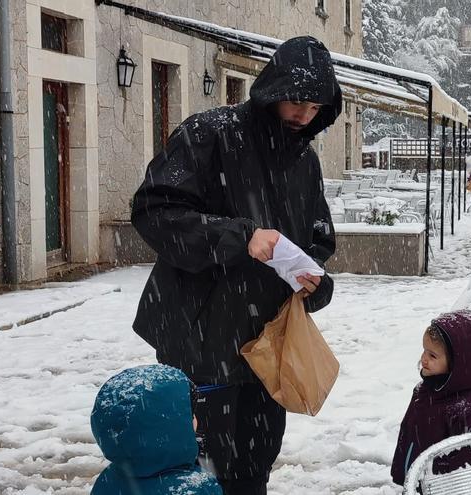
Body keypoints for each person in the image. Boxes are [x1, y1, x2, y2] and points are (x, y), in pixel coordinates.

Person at [130, 36, 341, 494]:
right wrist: (240, 237)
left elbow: (319, 238)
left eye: (316, 106)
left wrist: (315, 282)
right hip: (200, 336)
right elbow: (154, 212)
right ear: (273, 88)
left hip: (268, 344)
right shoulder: (209, 135)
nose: (306, 115)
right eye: (298, 101)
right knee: (201, 470)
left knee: (254, 467)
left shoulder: (305, 162)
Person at [391, 310, 471, 487]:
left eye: (432, 355)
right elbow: (410, 432)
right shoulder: (425, 391)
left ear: (459, 364)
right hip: (418, 484)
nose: (424, 359)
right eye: (424, 351)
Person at [90, 364, 222, 495]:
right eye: (191, 415)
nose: (196, 420)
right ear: (172, 429)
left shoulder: (108, 480)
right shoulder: (195, 487)